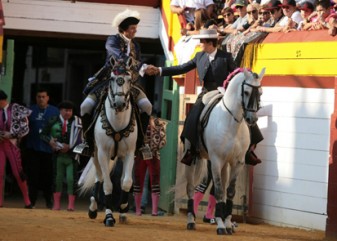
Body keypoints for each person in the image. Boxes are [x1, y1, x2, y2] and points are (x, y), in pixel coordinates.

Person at [148, 29, 263, 166]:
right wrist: (160, 70)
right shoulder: (199, 56)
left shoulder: (225, 57)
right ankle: (191, 149)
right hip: (206, 93)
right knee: (193, 115)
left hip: (223, 93)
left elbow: (236, 73)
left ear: (210, 43)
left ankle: (249, 150)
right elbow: (182, 68)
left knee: (246, 114)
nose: (200, 44)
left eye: (202, 41)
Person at [76, 8, 155, 157]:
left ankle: (141, 143)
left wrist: (143, 69)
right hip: (108, 80)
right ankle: (87, 142)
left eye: (135, 29)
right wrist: (141, 66)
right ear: (124, 29)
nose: (135, 32)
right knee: (85, 106)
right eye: (132, 29)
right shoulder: (112, 40)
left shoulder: (136, 45)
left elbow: (136, 62)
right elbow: (118, 56)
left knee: (147, 106)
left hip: (130, 83)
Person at [40, 101, 82, 211]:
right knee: (57, 179)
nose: (68, 113)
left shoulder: (78, 122)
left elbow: (83, 140)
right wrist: (50, 141)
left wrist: (72, 148)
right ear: (60, 110)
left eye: (70, 111)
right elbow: (42, 134)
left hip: (72, 157)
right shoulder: (53, 120)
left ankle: (71, 205)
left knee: (71, 179)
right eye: (66, 110)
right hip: (57, 155)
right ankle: (56, 204)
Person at [25, 89, 59, 209]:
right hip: (32, 148)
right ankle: (31, 202)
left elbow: (60, 127)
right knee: (32, 177)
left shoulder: (55, 111)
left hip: (49, 150)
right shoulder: (30, 111)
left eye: (43, 96)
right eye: (39, 96)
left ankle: (49, 202)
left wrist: (57, 142)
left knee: (48, 178)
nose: (41, 99)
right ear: (36, 98)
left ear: (48, 98)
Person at [0, 90, 32, 208]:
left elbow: (25, 127)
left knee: (18, 173)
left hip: (12, 144)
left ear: (2, 101)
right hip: (0, 145)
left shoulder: (16, 109)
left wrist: (11, 135)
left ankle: (27, 201)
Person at [133, 116, 167, 216]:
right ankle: (142, 210)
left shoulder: (136, 121)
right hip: (144, 155)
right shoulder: (135, 121)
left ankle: (149, 210)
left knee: (149, 182)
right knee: (139, 182)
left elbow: (162, 142)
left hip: (150, 154)